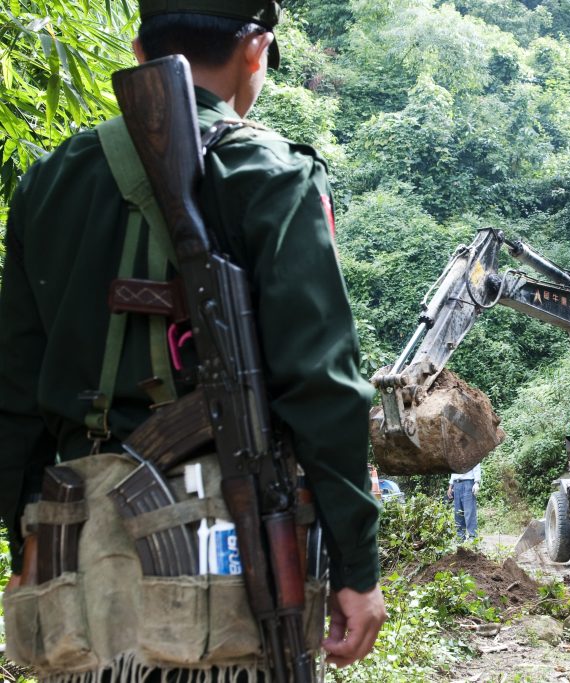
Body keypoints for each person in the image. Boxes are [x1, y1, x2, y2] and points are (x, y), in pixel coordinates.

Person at [0, 0, 385, 676]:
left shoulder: (47, 184)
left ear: (138, 48)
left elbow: (14, 401)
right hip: (231, 572)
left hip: (79, 562)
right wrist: (358, 565)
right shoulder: (274, 175)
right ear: (255, 50)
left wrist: (31, 551)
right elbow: (323, 386)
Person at [447, 463, 482, 541]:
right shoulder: (454, 453)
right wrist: (450, 486)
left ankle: (473, 538)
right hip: (456, 484)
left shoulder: (471, 452)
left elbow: (476, 465)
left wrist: (477, 482)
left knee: (469, 512)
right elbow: (453, 471)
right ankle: (460, 538)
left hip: (468, 483)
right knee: (458, 513)